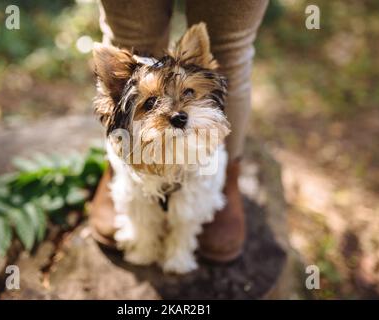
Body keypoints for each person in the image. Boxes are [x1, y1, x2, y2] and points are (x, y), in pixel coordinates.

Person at [91, 0, 269, 262]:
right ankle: (118, 175)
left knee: (230, 47)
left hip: (203, 173)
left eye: (189, 92)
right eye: (150, 103)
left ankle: (227, 178)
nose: (177, 113)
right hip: (138, 170)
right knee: (129, 34)